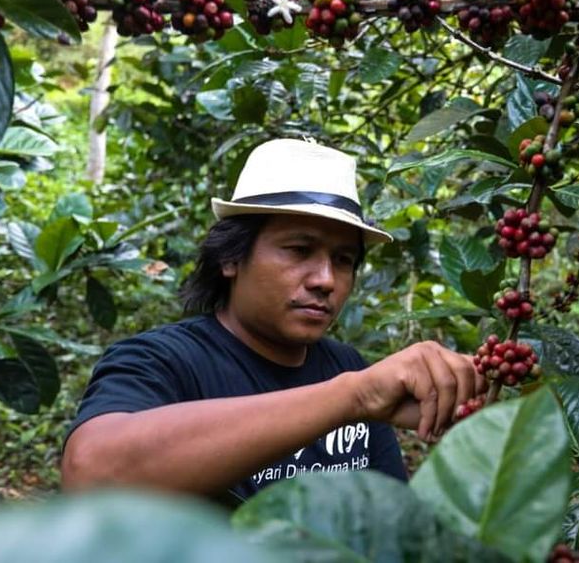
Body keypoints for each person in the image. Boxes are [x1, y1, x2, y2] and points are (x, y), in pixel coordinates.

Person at [61, 138, 484, 505]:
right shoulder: (163, 361)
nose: (325, 280)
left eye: (344, 260)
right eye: (299, 250)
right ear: (231, 258)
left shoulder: (346, 366)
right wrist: (354, 397)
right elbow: (92, 473)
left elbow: (390, 522)